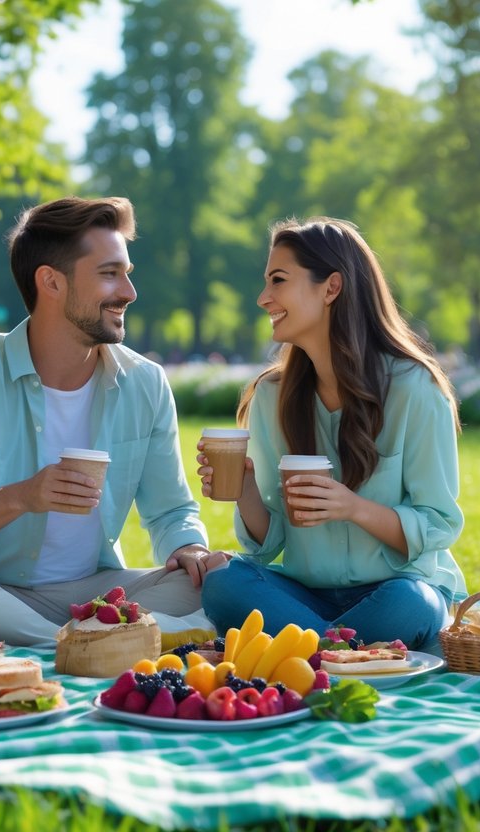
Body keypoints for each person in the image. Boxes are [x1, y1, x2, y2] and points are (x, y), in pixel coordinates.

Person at [0, 196, 227, 648]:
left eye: (127, 273)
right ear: (51, 282)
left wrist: (188, 547)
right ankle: (99, 643)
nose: (129, 292)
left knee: (219, 579)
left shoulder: (144, 382)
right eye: (110, 274)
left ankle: (80, 640)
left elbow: (170, 511)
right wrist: (24, 496)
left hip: (96, 590)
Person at [198, 217, 466, 655]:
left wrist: (352, 507)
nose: (264, 298)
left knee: (411, 605)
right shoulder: (271, 396)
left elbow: (438, 523)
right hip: (308, 593)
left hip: (395, 588)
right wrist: (245, 490)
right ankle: (348, 655)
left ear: (331, 287)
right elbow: (272, 541)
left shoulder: (415, 388)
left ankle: (305, 652)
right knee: (225, 583)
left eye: (278, 281)